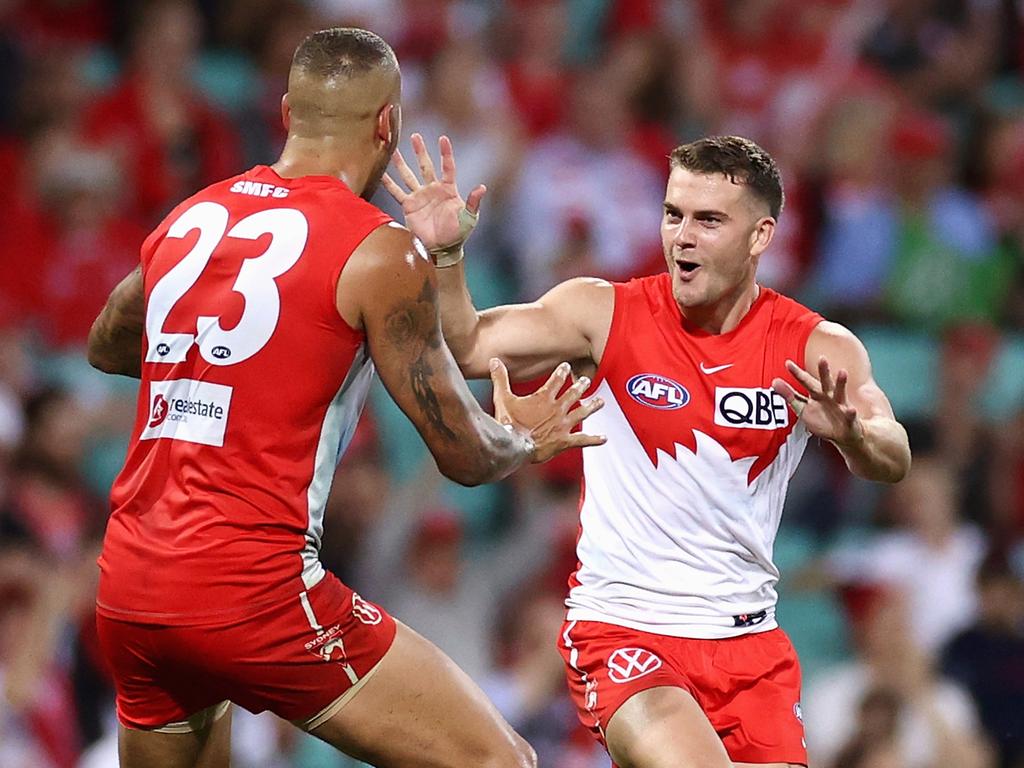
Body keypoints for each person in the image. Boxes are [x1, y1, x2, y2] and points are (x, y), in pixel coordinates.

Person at [85, 27, 606, 768]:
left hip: (133, 587)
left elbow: (106, 344)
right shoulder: (378, 249)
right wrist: (520, 438)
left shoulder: (189, 218)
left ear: (288, 108)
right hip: (254, 593)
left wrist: (230, 372)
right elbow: (462, 455)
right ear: (389, 123)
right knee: (500, 762)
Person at [383, 132, 912, 768]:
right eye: (673, 214)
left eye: (709, 220)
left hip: (751, 649)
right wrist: (445, 254)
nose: (682, 237)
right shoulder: (603, 313)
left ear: (761, 235)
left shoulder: (814, 345)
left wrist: (853, 435)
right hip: (626, 634)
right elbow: (469, 347)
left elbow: (894, 451)